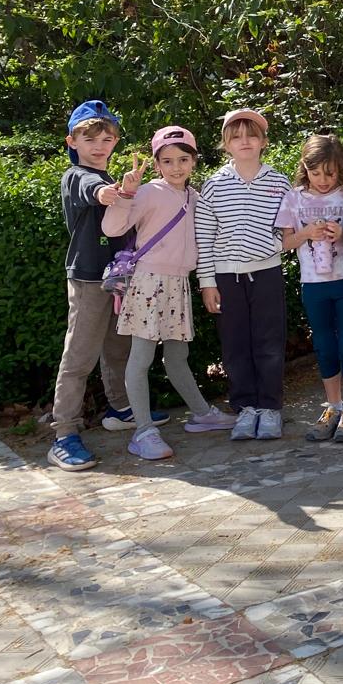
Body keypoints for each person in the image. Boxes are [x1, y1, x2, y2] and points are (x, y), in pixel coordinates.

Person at [102, 127, 234, 459]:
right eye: (168, 161)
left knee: (177, 355)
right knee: (141, 357)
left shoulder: (194, 197)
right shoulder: (148, 192)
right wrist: (126, 194)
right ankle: (144, 431)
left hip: (178, 284)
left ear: (194, 161)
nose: (176, 167)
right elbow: (112, 228)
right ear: (157, 163)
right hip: (148, 282)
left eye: (183, 159)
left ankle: (201, 414)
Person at [48, 100, 148, 472]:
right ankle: (63, 435)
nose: (99, 146)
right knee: (79, 357)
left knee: (118, 347)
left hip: (117, 278)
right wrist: (109, 193)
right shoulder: (77, 176)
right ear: (71, 142)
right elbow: (92, 189)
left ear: (116, 142)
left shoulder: (109, 179)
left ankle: (120, 409)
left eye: (107, 139)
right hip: (88, 279)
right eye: (89, 139)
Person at [197, 108, 291, 442]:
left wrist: (271, 246)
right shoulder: (214, 185)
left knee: (269, 343)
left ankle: (270, 408)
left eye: (252, 135)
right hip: (226, 278)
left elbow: (287, 231)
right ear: (226, 144)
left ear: (264, 141)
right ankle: (246, 408)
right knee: (235, 346)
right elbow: (204, 237)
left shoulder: (279, 182)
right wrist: (207, 283)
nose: (245, 141)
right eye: (236, 137)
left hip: (267, 274)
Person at [277, 134, 343, 443]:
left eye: (330, 173)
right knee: (324, 346)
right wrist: (306, 234)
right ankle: (333, 406)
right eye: (316, 173)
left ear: (341, 168)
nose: (323, 180)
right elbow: (284, 243)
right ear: (305, 168)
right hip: (313, 284)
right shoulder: (294, 198)